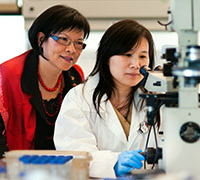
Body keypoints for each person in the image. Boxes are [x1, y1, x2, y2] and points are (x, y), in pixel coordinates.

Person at [0, 4, 90, 168]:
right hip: (17, 170)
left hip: (62, 170)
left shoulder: (75, 75)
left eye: (78, 43)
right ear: (41, 39)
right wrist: (8, 171)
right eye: (63, 39)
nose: (71, 49)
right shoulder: (8, 74)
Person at [54, 19, 159, 178]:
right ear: (106, 56)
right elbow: (73, 155)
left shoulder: (158, 101)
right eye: (127, 55)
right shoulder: (79, 99)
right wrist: (113, 163)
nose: (135, 64)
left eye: (143, 56)